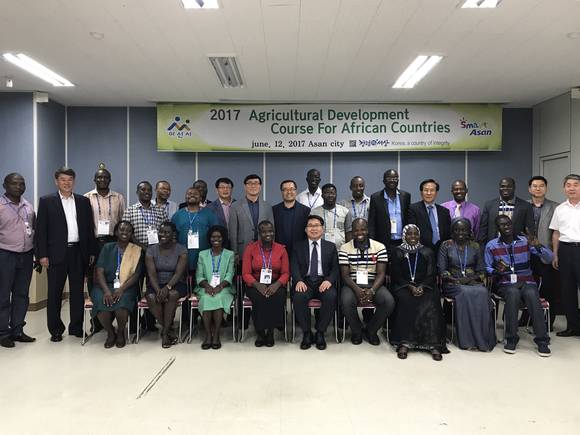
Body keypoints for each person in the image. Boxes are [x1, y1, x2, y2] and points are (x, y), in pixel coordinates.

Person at [35, 167, 96, 342]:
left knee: (77, 293)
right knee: (54, 293)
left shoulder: (83, 201)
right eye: (63, 180)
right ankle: (55, 330)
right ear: (56, 181)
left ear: (74, 181)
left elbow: (89, 229)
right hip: (55, 254)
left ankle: (76, 327)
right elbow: (41, 231)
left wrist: (91, 251)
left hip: (78, 252)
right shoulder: (47, 201)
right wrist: (42, 255)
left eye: (70, 180)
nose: (66, 183)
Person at [484, 215, 552, 356]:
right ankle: (511, 339)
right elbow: (487, 268)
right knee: (513, 293)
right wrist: (496, 271)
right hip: (505, 283)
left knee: (532, 293)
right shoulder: (491, 245)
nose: (507, 226)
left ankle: (542, 341)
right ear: (497, 228)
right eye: (502, 224)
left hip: (527, 281)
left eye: (509, 223)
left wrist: (537, 245)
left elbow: (549, 258)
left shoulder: (525, 241)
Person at [389, 224, 447, 360]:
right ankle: (404, 342)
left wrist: (422, 286)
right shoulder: (397, 251)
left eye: (415, 234)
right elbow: (396, 275)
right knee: (406, 300)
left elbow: (431, 274)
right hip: (403, 286)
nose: (413, 236)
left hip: (425, 286)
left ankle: (433, 344)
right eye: (409, 234)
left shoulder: (427, 252)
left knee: (431, 300)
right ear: (404, 235)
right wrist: (410, 287)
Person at [438, 218, 495, 351]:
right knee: (464, 292)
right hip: (452, 283)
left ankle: (483, 338)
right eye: (457, 230)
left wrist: (469, 279)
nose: (460, 233)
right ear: (452, 231)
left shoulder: (475, 246)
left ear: (469, 231)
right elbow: (442, 271)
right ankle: (467, 340)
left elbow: (482, 271)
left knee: (483, 292)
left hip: (472, 281)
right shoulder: (446, 245)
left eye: (463, 230)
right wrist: (455, 280)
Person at [339, 218, 395, 345]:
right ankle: (357, 331)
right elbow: (345, 275)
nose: (359, 233)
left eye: (363, 229)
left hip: (374, 283)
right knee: (346, 301)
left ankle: (371, 330)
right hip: (352, 283)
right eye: (356, 230)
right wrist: (357, 290)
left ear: (367, 230)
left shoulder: (379, 247)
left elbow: (381, 273)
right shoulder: (345, 248)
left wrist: (372, 291)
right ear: (352, 232)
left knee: (388, 301)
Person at [84, 164, 125, 335]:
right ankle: (96, 320)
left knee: (116, 274)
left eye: (105, 177)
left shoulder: (118, 197)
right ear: (94, 180)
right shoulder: (86, 198)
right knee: (93, 278)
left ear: (110, 180)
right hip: (94, 242)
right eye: (99, 177)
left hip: (113, 241)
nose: (102, 180)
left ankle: (113, 313)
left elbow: (122, 221)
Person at [90, 221, 142, 348]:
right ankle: (110, 333)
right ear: (116, 232)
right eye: (122, 230)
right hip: (104, 285)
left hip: (126, 286)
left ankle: (120, 333)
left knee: (121, 305)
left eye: (128, 231)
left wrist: (121, 289)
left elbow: (136, 275)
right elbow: (99, 271)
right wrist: (107, 291)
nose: (125, 232)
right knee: (102, 304)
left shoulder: (136, 250)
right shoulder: (107, 247)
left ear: (132, 234)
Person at [291, 215, 339, 350]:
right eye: (310, 226)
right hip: (305, 281)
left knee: (331, 296)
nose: (313, 228)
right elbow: (294, 266)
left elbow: (336, 268)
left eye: (316, 225)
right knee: (299, 297)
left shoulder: (330, 247)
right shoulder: (298, 246)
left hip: (323, 281)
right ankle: (306, 332)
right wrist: (298, 280)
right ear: (306, 230)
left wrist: (329, 280)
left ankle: (320, 332)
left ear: (322, 229)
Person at [0, 173, 36, 347]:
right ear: (4, 186)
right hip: (5, 255)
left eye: (22, 183)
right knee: (3, 295)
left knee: (22, 295)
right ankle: (2, 333)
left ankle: (17, 330)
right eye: (14, 183)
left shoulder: (28, 206)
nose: (18, 186)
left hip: (26, 255)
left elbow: (33, 230)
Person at [242, 220, 289, 347]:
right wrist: (258, 285)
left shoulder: (281, 249)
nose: (268, 234)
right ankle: (260, 332)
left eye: (270, 231)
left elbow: (286, 273)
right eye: (264, 232)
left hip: (275, 282)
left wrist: (276, 285)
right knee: (260, 298)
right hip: (255, 283)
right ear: (259, 233)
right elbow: (246, 273)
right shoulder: (250, 249)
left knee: (277, 296)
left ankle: (270, 332)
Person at [521, 175, 559, 328]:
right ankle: (526, 319)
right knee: (528, 287)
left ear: (546, 188)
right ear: (529, 189)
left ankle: (548, 322)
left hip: (546, 253)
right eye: (535, 186)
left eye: (541, 186)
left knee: (549, 288)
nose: (538, 188)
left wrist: (555, 253)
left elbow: (557, 232)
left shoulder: (555, 207)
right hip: (526, 253)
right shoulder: (523, 206)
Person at [145, 221, 188, 348]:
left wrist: (167, 287)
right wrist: (158, 290)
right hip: (156, 283)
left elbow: (179, 273)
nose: (163, 235)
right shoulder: (151, 250)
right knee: (151, 297)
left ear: (173, 234)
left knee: (172, 295)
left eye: (167, 232)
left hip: (176, 283)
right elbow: (151, 274)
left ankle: (164, 333)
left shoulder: (181, 249)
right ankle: (167, 328)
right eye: (161, 232)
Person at [195, 225, 235, 349]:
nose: (216, 239)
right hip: (205, 287)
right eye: (213, 237)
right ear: (209, 238)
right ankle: (208, 335)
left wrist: (219, 286)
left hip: (224, 288)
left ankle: (216, 334)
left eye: (219, 237)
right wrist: (207, 286)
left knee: (218, 297)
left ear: (223, 238)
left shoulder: (230, 254)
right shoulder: (202, 254)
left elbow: (230, 274)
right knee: (206, 298)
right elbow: (199, 275)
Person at [550, 174, 580, 337]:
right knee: (567, 290)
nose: (572, 188)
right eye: (568, 185)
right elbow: (556, 233)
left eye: (576, 184)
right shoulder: (560, 209)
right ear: (564, 188)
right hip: (565, 250)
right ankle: (573, 326)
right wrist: (555, 254)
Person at [171, 186, 218, 277]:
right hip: (182, 256)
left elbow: (216, 233)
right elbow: (173, 236)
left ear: (200, 198)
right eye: (189, 193)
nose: (192, 195)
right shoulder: (178, 215)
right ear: (185, 197)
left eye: (195, 194)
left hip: (204, 256)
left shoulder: (209, 214)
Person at [228, 174, 274, 262]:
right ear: (245, 187)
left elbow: (272, 230)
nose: (253, 186)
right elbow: (233, 233)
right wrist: (235, 253)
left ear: (260, 187)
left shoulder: (267, 206)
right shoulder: (235, 206)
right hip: (243, 250)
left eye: (256, 183)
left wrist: (271, 251)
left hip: (264, 250)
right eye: (250, 183)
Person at [479, 177, 534, 245]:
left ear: (514, 188)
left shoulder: (526, 206)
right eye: (502, 186)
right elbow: (483, 230)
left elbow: (530, 230)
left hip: (517, 247)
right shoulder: (489, 205)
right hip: (494, 247)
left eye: (509, 186)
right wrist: (482, 247)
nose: (505, 189)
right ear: (499, 188)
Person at [368, 169, 411, 253]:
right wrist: (372, 243)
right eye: (389, 178)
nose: (392, 180)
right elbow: (372, 222)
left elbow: (408, 218)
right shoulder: (376, 197)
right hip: (382, 242)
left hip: (402, 242)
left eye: (395, 178)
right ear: (383, 181)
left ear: (398, 180)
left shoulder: (405, 196)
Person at [408, 179, 451, 253]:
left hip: (441, 251)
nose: (429, 193)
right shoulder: (413, 209)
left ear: (436, 193)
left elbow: (447, 234)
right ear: (421, 192)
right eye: (426, 190)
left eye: (432, 190)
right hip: (422, 251)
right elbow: (412, 232)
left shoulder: (444, 211)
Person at [273, 179, 310, 258]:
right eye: (285, 189)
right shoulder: (274, 210)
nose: (289, 192)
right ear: (281, 192)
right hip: (279, 253)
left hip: (299, 253)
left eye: (291, 189)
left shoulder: (306, 211)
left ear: (296, 191)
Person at [311, 183, 352, 249]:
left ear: (336, 195)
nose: (330, 195)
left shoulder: (345, 212)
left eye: (332, 193)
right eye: (327, 193)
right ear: (322, 195)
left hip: (340, 250)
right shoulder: (314, 213)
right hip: (320, 250)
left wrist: (348, 250)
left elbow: (348, 233)